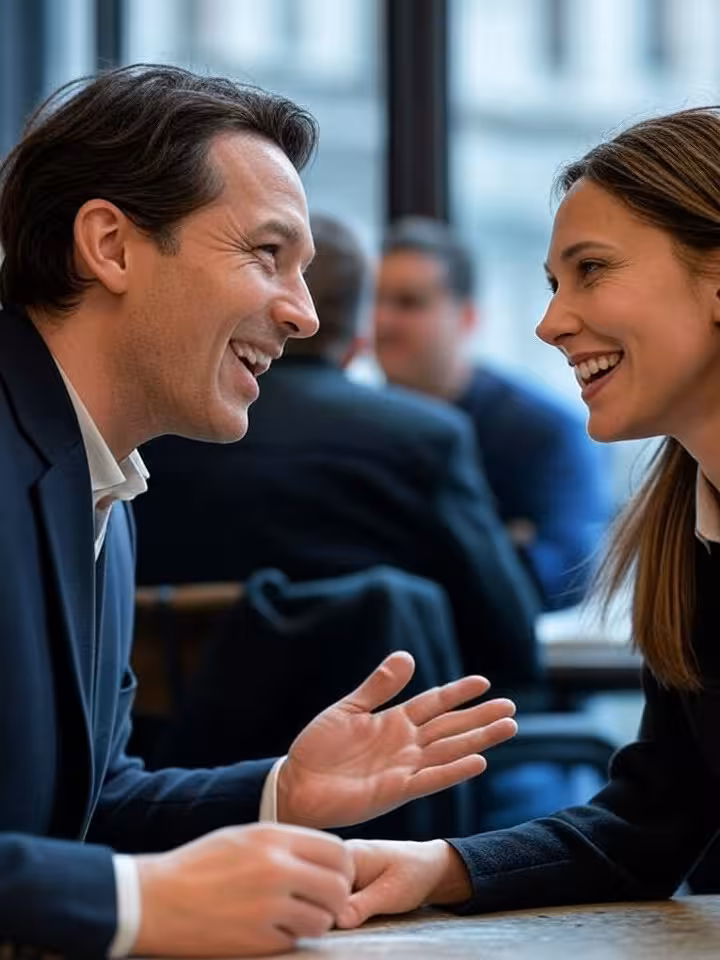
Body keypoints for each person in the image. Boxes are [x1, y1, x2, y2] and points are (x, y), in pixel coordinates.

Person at [0, 65, 519, 958]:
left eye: (308, 271)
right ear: (112, 246)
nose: (308, 316)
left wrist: (284, 792)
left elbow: (90, 807)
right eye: (266, 255)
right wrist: (132, 902)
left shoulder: (105, 492)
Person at [331, 104, 720, 930]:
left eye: (591, 270)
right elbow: (654, 822)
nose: (549, 324)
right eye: (552, 283)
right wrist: (435, 866)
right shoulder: (688, 530)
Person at [134, 213, 540, 690]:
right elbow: (512, 643)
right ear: (357, 339)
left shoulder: (148, 435)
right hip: (381, 750)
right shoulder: (424, 440)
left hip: (164, 753)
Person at [374, 217, 613, 609]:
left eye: (408, 303)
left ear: (466, 317)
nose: (382, 321)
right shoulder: (357, 431)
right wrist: (498, 544)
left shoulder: (547, 431)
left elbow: (569, 576)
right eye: (374, 301)